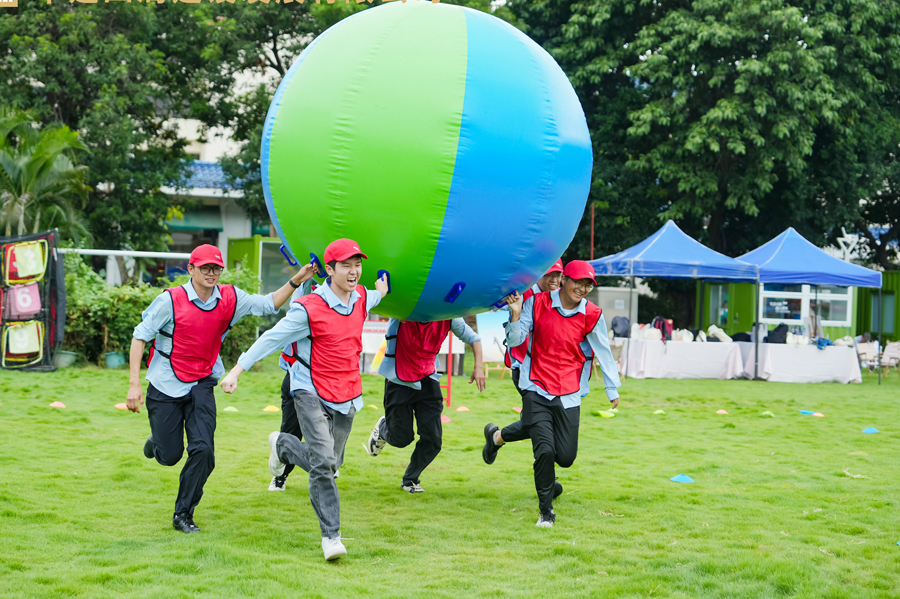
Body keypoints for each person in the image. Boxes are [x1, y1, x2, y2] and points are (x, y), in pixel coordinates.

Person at [127, 244, 317, 534]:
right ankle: (158, 443)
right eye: (205, 267)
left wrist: (297, 280)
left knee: (204, 451)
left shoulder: (230, 297)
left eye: (216, 268)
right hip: (165, 383)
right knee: (170, 456)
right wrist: (134, 385)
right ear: (191, 269)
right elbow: (140, 337)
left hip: (202, 382)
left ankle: (183, 514)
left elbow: (269, 304)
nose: (211, 273)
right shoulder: (170, 300)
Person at [220, 239, 389, 561]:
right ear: (330, 269)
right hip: (309, 390)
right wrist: (236, 371)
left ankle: (282, 445)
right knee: (324, 464)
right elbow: (271, 338)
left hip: (348, 392)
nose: (354, 272)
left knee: (332, 462)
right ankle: (331, 537)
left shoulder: (363, 297)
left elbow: (378, 294)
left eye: (358, 265)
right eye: (346, 266)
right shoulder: (308, 308)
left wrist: (383, 286)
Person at [481, 260, 621, 528]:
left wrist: (611, 387)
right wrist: (515, 314)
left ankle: (497, 437)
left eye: (588, 284)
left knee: (565, 457)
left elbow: (603, 350)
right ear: (566, 280)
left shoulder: (592, 314)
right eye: (578, 282)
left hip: (569, 391)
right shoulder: (538, 303)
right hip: (536, 385)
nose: (582, 288)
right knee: (544, 450)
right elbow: (516, 340)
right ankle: (546, 512)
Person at [364, 318, 486, 493]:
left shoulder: (449, 316)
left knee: (433, 439)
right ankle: (383, 427)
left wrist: (479, 367)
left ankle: (410, 480)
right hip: (399, 379)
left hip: (428, 379)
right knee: (401, 439)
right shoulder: (402, 311)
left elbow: (474, 338)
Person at [504, 259, 564, 395]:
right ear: (539, 275)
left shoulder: (563, 297)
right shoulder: (522, 294)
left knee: (540, 413)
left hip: (551, 367)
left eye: (558, 275)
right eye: (549, 275)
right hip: (522, 363)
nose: (554, 280)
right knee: (535, 411)